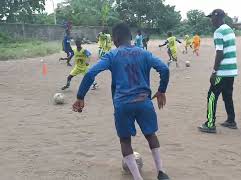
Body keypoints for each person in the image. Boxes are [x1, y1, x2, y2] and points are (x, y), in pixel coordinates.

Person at [72, 23, 171, 180]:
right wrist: (161, 90)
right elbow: (164, 69)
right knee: (151, 134)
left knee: (125, 141)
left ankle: (138, 178)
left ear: (114, 39)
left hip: (123, 104)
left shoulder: (112, 55)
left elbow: (90, 73)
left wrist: (80, 96)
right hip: (144, 101)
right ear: (131, 38)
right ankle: (161, 172)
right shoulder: (144, 53)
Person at [198, 9, 238, 133]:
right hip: (231, 70)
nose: (211, 21)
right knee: (227, 96)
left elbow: (219, 53)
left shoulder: (219, 32)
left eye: (212, 18)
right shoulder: (230, 30)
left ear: (218, 18)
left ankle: (210, 124)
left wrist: (214, 71)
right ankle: (231, 120)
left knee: (212, 96)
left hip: (222, 71)